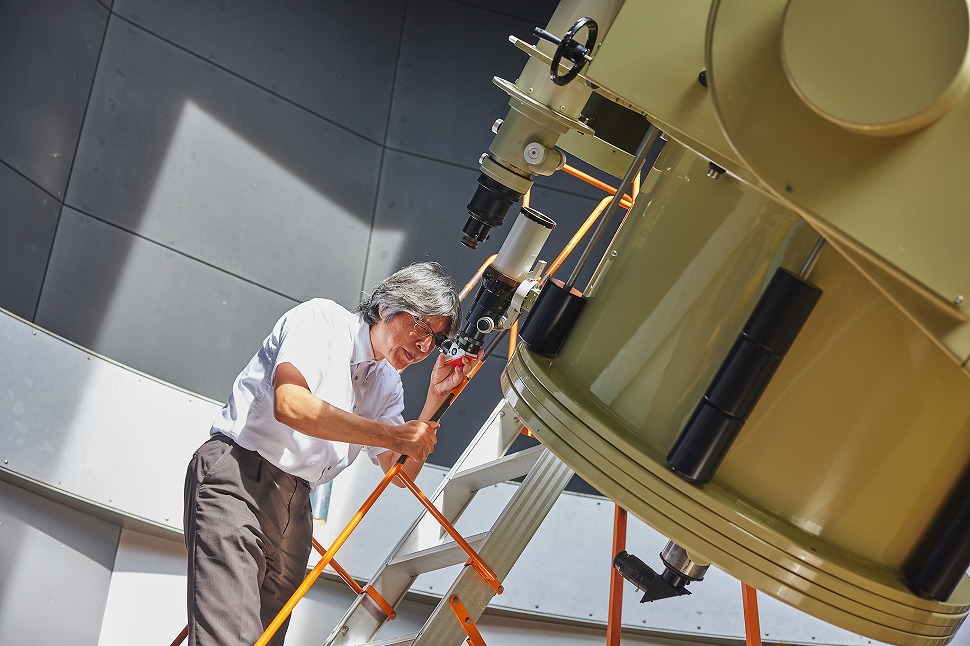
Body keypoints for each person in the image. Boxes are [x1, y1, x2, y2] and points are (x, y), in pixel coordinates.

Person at [183, 262, 475, 646]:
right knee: (228, 638)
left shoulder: (387, 383)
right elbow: (291, 404)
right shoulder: (323, 320)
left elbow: (400, 473)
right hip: (239, 476)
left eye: (434, 340)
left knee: (263, 640)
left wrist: (434, 401)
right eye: (422, 326)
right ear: (386, 307)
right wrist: (392, 435)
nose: (424, 347)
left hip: (297, 506)